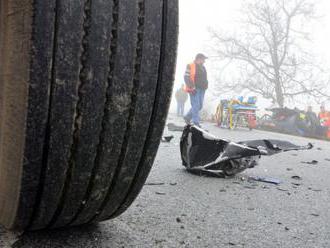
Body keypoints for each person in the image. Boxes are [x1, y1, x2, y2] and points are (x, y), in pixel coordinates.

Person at [183, 53, 208, 127]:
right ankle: (195, 122)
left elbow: (205, 78)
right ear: (199, 59)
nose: (204, 61)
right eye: (203, 59)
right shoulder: (190, 65)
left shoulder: (203, 67)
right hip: (194, 89)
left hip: (202, 89)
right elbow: (186, 76)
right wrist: (191, 87)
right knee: (196, 105)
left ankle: (187, 116)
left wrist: (206, 85)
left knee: (199, 106)